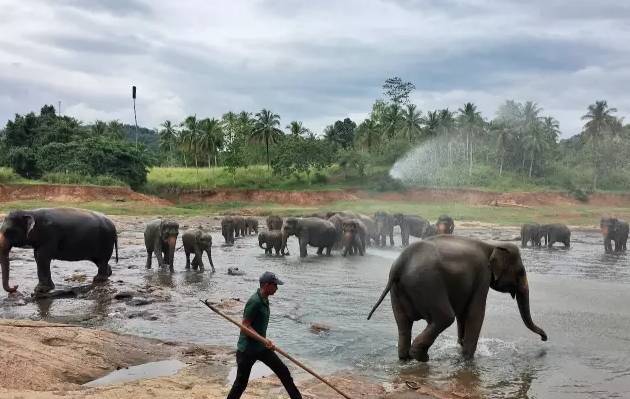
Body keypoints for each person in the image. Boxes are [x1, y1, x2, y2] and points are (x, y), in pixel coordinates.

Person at [226, 271, 302, 399]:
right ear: (266, 285)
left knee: (284, 372)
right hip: (247, 350)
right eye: (275, 285)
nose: (277, 288)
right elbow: (245, 326)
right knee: (241, 384)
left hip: (261, 348)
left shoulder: (264, 299)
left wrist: (264, 341)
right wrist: (263, 340)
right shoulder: (255, 301)